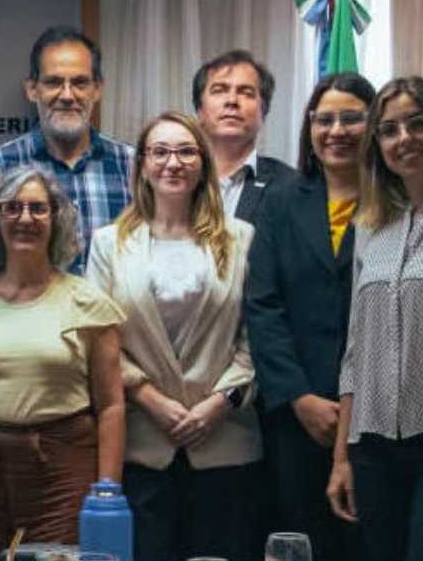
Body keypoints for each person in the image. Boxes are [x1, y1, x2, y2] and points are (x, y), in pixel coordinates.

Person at [0, 166, 125, 560]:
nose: (25, 219)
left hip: (61, 473)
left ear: (56, 219)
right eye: (12, 208)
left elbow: (112, 407)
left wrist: (106, 497)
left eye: (38, 208)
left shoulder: (88, 304)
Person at [87, 111, 260, 561]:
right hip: (144, 444)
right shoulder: (108, 244)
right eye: (160, 151)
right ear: (142, 163)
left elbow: (256, 337)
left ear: (202, 162)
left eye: (186, 151)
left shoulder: (241, 239)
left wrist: (220, 403)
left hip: (225, 443)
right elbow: (98, 340)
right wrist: (150, 399)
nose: (173, 162)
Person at [327, 77, 423, 561]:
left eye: (417, 123)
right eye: (389, 130)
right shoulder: (370, 227)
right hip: (372, 447)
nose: (404, 138)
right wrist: (342, 457)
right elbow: (354, 353)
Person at [245, 73, 375, 559]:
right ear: (309, 128)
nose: (336, 130)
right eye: (325, 119)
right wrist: (299, 396)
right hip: (295, 416)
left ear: (374, 126)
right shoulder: (279, 201)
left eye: (351, 118)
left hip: (375, 415)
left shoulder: (397, 203)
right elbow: (262, 305)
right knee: (301, 540)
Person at [0, 26, 133, 273]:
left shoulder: (132, 166)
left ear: (98, 89)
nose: (67, 95)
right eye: (53, 82)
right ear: (32, 89)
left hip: (114, 312)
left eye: (80, 83)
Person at [192, 49, 296, 222]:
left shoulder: (292, 188)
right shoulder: (175, 178)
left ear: (263, 112)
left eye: (246, 93)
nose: (232, 101)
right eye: (219, 90)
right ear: (200, 111)